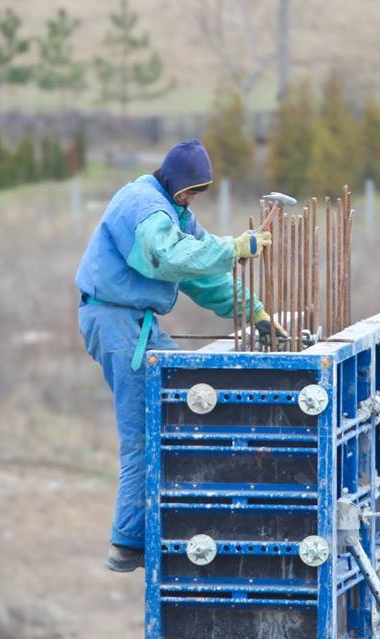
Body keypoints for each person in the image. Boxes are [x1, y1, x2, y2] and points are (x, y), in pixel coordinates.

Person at [75, 139, 284, 572]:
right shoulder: (145, 207)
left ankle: (170, 517)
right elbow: (167, 259)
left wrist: (255, 312)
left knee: (183, 399)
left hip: (136, 323)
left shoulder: (177, 214)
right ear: (173, 181)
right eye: (189, 191)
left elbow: (203, 278)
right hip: (115, 322)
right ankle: (128, 541)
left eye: (198, 193)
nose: (191, 199)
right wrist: (233, 248)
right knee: (144, 430)